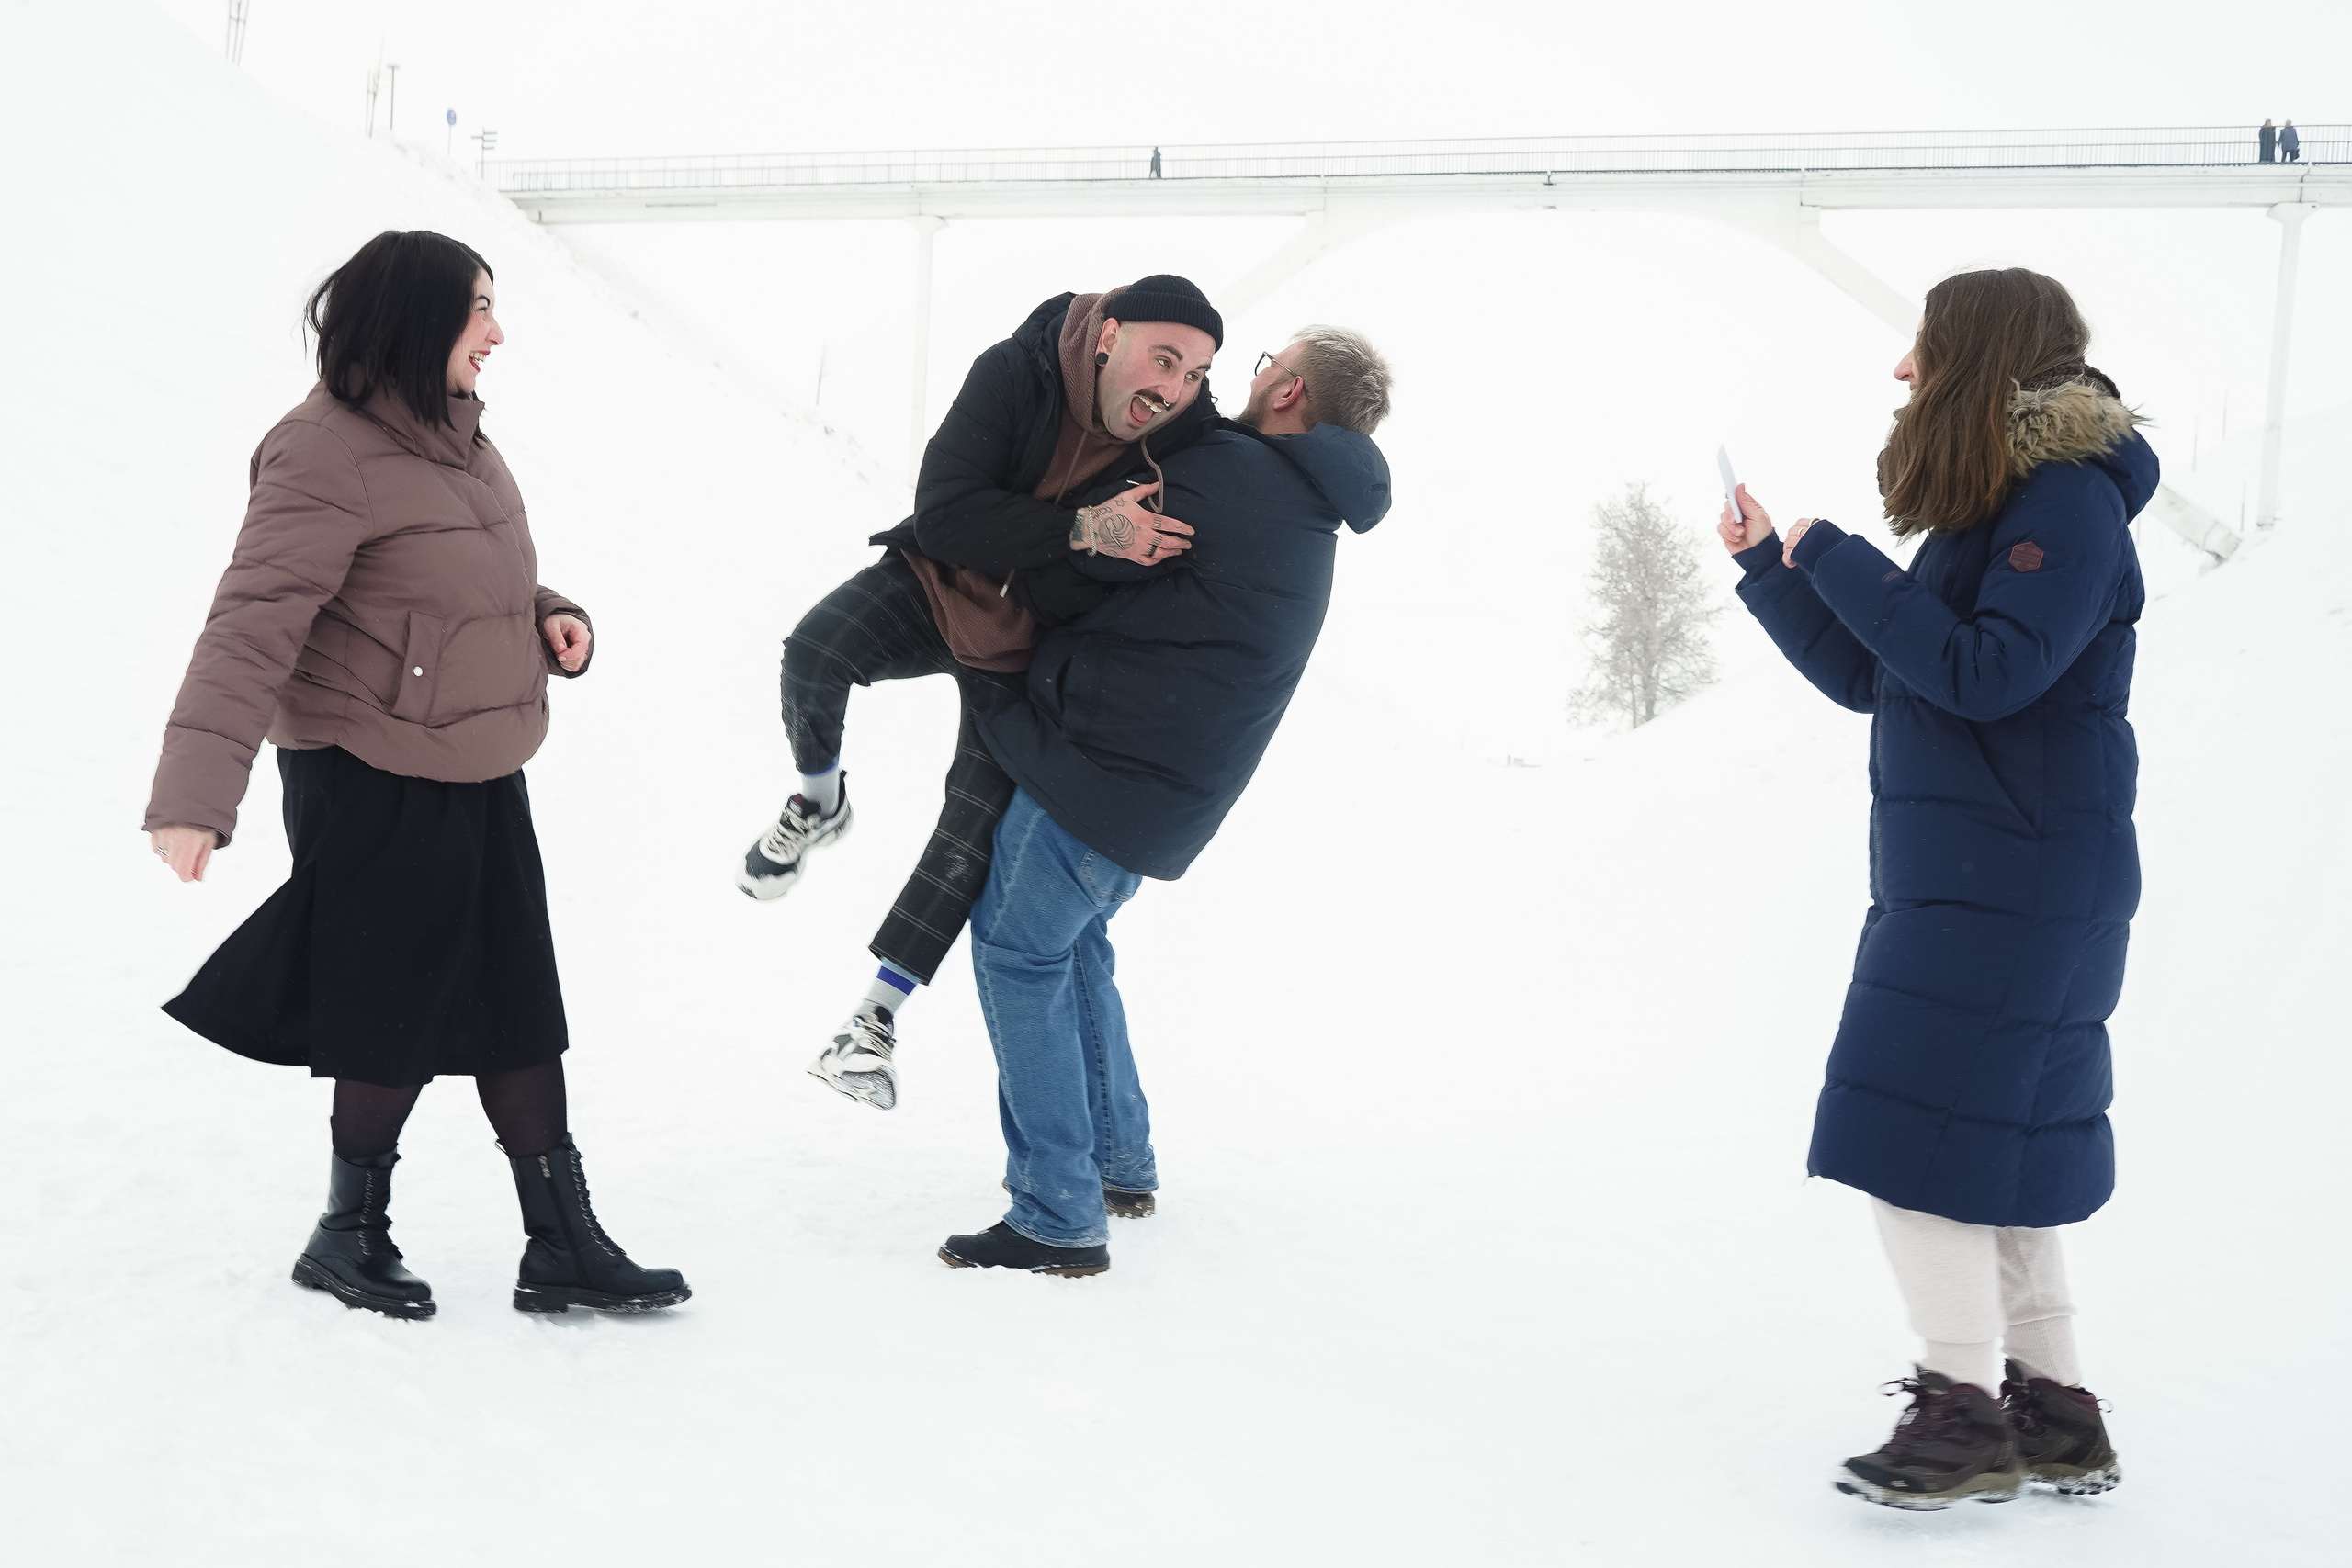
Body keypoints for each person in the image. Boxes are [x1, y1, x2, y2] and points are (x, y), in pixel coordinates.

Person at [144, 230, 687, 1322]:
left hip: (477, 755)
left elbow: (458, 577)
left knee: (517, 988)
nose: (497, 332)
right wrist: (198, 798)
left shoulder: (459, 440)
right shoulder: (321, 452)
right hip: (370, 761)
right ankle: (349, 1233)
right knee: (393, 997)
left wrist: (548, 614)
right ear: (414, 320)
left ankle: (562, 1239)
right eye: (479, 308)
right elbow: (252, 624)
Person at [1718, 267, 2142, 1509]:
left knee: (1918, 1140)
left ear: (1978, 355)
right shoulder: (2008, 503)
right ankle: (2054, 1409)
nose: (1903, 371)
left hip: (2008, 879)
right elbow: (1890, 678)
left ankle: (1960, 1409)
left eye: (1921, 348)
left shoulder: (2066, 502)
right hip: (1989, 872)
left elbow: (1986, 670)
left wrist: (1848, 557)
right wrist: (1775, 574)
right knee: (1993, 1146)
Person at [935, 327, 1394, 1276]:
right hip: (1160, 794)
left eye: (1268, 362)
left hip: (1102, 773)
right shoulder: (1307, 503)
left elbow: (1081, 564)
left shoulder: (1229, 475)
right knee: (1073, 947)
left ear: (1289, 394)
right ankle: (1118, 1162)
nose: (1249, 373)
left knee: (1019, 955)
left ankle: (1056, 1213)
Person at [737, 276, 1223, 1111]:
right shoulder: (1015, 371)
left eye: (1196, 374)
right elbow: (948, 512)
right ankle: (819, 801)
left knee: (972, 828)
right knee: (815, 651)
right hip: (936, 582)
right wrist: (1080, 532)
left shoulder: (1189, 433)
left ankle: (872, 1023)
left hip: (1025, 647)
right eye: (1164, 359)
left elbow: (1260, 459)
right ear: (1107, 337)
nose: (1174, 390)